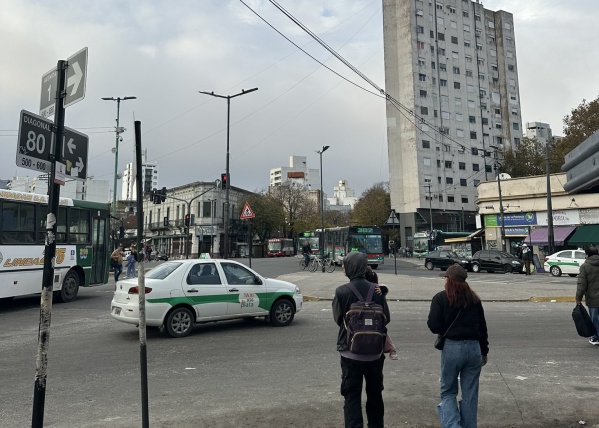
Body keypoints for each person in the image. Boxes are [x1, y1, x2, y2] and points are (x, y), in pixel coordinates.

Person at [332, 252, 391, 428]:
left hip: (350, 353)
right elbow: (386, 318)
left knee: (351, 396)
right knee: (375, 395)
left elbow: (338, 319)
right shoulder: (377, 290)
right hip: (375, 353)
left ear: (351, 267)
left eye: (345, 265)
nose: (343, 268)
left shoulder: (341, 291)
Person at [427, 264, 488, 428]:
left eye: (445, 278)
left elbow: (433, 325)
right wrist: (484, 351)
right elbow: (482, 328)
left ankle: (453, 425)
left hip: (452, 347)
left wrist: (445, 328)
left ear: (449, 280)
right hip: (474, 348)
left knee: (448, 391)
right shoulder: (474, 300)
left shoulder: (440, 298)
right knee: (470, 394)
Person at [364, 266, 398, 360]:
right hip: (378, 326)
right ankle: (392, 349)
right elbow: (387, 317)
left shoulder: (367, 290)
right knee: (383, 332)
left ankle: (391, 349)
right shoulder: (378, 291)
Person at [576, 246, 599, 346]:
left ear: (587, 255)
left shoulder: (585, 266)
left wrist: (578, 298)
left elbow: (581, 284)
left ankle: (596, 337)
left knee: (594, 319)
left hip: (593, 299)